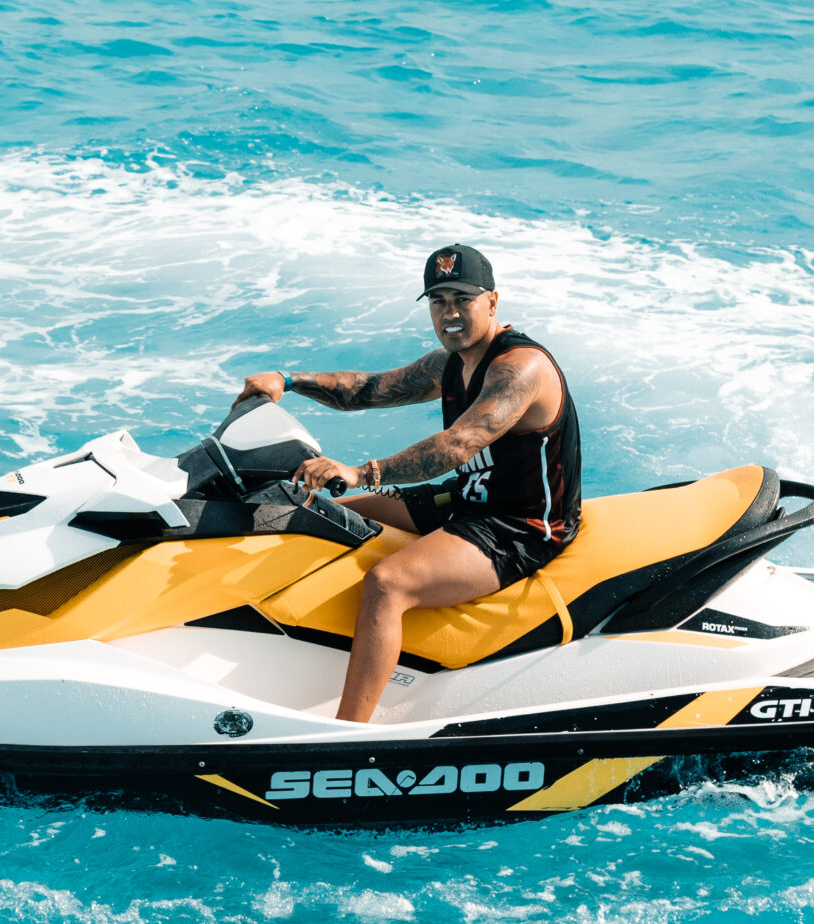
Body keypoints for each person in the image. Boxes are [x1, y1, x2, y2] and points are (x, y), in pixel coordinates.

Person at [240, 244, 581, 724]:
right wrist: (287, 380)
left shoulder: (520, 368)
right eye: (438, 301)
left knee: (387, 584)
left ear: (492, 301)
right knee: (318, 516)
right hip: (466, 499)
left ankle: (346, 733)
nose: (450, 313)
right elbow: (368, 389)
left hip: (520, 526)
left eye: (462, 299)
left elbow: (459, 444)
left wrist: (362, 473)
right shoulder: (451, 363)